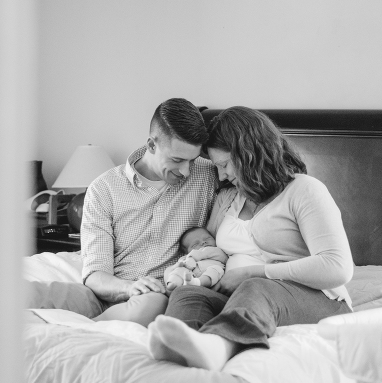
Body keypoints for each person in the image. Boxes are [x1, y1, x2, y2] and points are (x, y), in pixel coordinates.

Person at [148, 106, 354, 369]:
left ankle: (220, 347)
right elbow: (214, 252)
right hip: (243, 297)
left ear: (248, 153)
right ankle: (181, 346)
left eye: (224, 165)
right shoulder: (230, 199)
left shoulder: (304, 190)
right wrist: (194, 272)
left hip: (316, 297)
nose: (221, 175)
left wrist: (252, 273)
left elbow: (337, 267)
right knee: (190, 294)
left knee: (255, 287)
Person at [80, 98, 218, 327]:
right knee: (32, 293)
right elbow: (94, 274)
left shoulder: (209, 176)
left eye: (192, 161)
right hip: (103, 293)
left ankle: (79, 327)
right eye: (177, 160)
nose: (186, 171)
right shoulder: (103, 189)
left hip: (152, 300)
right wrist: (129, 288)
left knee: (147, 306)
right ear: (152, 145)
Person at [163, 227, 228, 290]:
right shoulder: (186, 257)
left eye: (207, 238)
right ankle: (174, 282)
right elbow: (182, 262)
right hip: (191, 273)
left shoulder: (217, 251)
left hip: (210, 271)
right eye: (195, 244)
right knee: (180, 269)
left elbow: (205, 252)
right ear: (187, 252)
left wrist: (191, 257)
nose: (203, 242)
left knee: (216, 270)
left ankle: (197, 283)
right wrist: (182, 264)